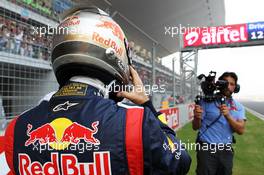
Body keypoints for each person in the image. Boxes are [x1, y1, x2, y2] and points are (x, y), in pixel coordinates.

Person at [4, 6, 191, 175]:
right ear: (114, 52)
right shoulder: (136, 123)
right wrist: (147, 105)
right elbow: (181, 161)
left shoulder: (17, 128)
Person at [192, 72, 246, 175]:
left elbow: (241, 130)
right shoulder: (205, 102)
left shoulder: (238, 107)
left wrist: (228, 116)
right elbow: (195, 127)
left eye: (232, 84)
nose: (228, 86)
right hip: (206, 150)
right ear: (219, 84)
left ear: (236, 87)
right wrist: (196, 117)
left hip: (226, 151)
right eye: (226, 83)